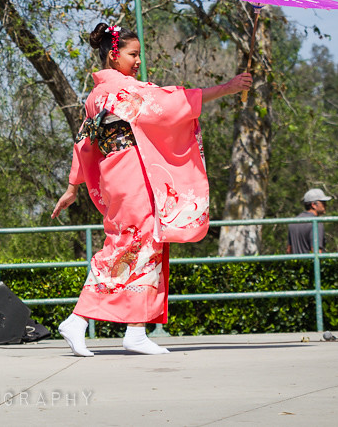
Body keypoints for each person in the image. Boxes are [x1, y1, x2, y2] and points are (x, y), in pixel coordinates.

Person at [51, 23, 251, 357]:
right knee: (129, 244)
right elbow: (169, 105)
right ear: (114, 54)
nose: (138, 61)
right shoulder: (120, 91)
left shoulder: (96, 95)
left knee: (144, 243)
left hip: (120, 172)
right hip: (131, 173)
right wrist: (227, 88)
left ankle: (135, 329)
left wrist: (73, 186)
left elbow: (85, 144)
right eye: (133, 54)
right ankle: (79, 319)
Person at [287, 188, 332, 254]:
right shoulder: (316, 223)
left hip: (296, 264)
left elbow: (289, 250)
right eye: (323, 203)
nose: (326, 205)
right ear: (313, 205)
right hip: (310, 264)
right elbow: (316, 252)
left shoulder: (293, 222)